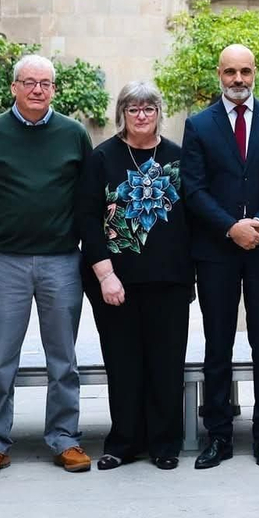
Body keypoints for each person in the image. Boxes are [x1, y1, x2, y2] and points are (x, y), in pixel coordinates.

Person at [0, 55, 95, 477]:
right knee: (1, 357)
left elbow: (86, 196)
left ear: (54, 89)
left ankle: (65, 438)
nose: (38, 89)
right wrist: (3, 230)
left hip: (61, 260)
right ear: (14, 87)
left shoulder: (74, 134)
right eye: (29, 82)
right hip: (7, 261)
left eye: (45, 83)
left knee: (63, 358)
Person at [182, 44, 259, 469]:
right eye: (230, 72)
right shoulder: (199, 125)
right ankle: (219, 436)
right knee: (217, 345)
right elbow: (193, 188)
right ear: (219, 74)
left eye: (245, 71)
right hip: (216, 251)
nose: (238, 79)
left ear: (255, 72)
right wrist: (231, 227)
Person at [77, 83, 190, 470]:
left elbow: (192, 218)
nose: (142, 116)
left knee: (166, 363)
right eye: (133, 109)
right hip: (114, 282)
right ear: (121, 114)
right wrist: (106, 275)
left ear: (159, 112)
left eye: (149, 109)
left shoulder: (178, 157)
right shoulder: (102, 158)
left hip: (169, 281)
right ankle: (124, 442)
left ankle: (164, 444)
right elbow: (87, 221)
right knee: (123, 364)